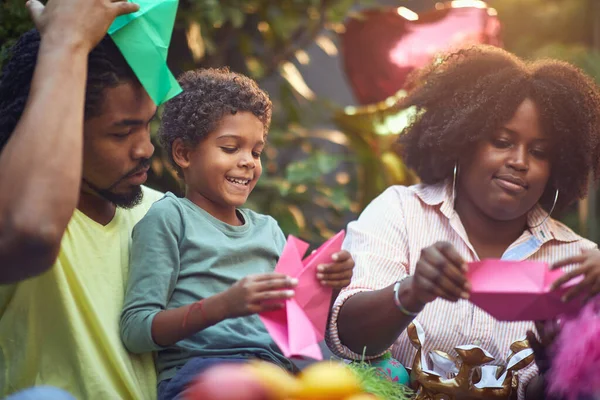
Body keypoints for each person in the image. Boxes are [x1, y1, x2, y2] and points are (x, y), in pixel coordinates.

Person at [326, 45, 600, 400]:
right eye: (502, 142)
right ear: (463, 139)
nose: (519, 161)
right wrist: (413, 292)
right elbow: (350, 338)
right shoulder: (400, 211)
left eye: (539, 152)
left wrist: (557, 365)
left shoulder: (580, 261)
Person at [119, 68, 355, 400]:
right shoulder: (170, 218)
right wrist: (224, 305)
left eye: (256, 152)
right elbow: (136, 329)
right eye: (231, 148)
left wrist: (326, 285)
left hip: (277, 373)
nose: (248, 162)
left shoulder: (268, 230)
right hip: (204, 373)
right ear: (184, 154)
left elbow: (294, 331)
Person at [0, 0, 177, 397]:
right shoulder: (16, 210)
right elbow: (29, 232)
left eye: (147, 124)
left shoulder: (164, 213)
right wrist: (67, 43)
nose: (146, 148)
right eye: (121, 133)